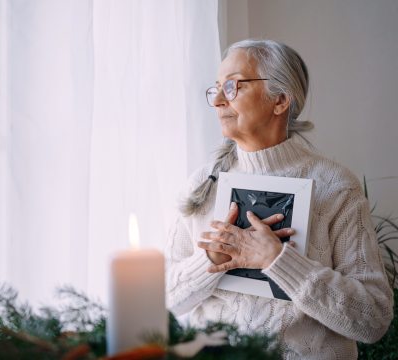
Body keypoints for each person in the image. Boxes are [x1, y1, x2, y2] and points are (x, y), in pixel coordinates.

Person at [166, 39, 394, 359]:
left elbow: (373, 320)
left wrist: (279, 261)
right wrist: (210, 261)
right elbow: (164, 298)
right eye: (216, 88)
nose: (217, 100)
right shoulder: (201, 184)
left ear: (281, 100)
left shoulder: (336, 188)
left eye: (233, 87)